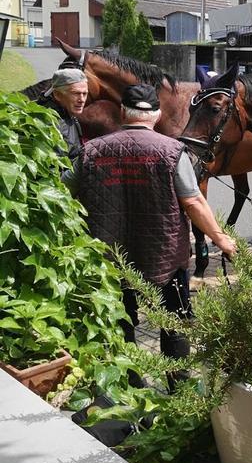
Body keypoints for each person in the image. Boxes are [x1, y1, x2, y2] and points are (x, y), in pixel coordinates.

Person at [64, 83, 237, 378]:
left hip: (111, 258)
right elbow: (193, 202)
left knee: (123, 323)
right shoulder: (172, 151)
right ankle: (178, 387)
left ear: (122, 112)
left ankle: (131, 388)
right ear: (156, 115)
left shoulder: (91, 152)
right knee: (175, 321)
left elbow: (63, 190)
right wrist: (221, 238)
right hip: (165, 257)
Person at [37, 68, 88, 159]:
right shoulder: (50, 123)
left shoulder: (67, 114)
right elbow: (56, 168)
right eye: (76, 93)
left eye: (84, 94)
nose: (82, 100)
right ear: (57, 95)